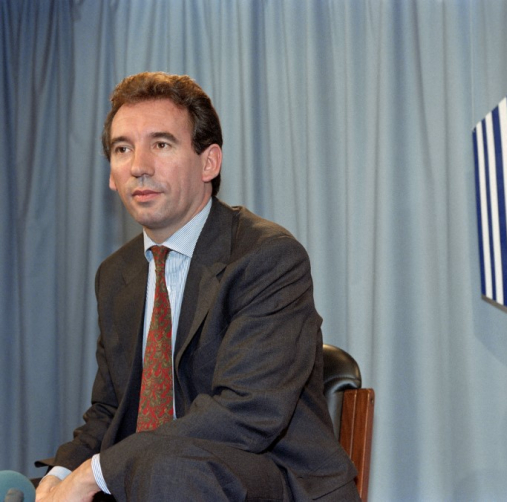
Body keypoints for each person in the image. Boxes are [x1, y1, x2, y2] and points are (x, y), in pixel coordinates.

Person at [34, 72, 359, 501]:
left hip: (274, 481)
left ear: (209, 162)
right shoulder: (116, 275)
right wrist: (60, 475)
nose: (139, 166)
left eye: (161, 144)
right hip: (155, 480)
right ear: (112, 176)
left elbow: (247, 412)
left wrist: (96, 473)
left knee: (168, 472)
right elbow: (111, 410)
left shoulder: (268, 258)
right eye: (122, 149)